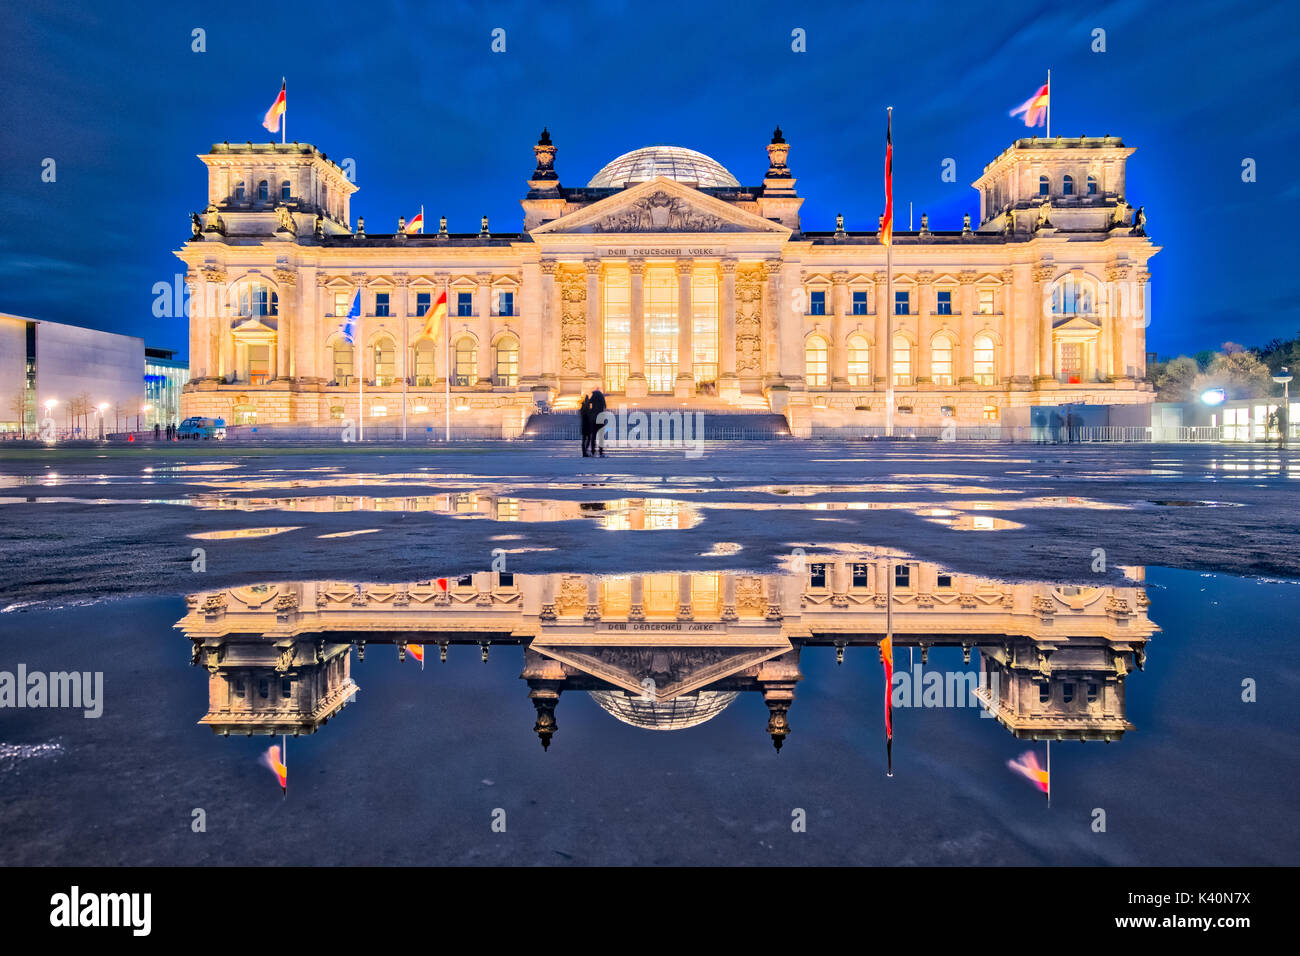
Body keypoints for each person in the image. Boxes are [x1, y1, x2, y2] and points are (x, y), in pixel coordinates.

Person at [589, 388, 607, 456]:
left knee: (593, 436)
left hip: (594, 420)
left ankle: (593, 451)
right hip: (601, 420)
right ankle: (601, 451)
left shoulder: (593, 397)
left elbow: (589, 402)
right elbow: (605, 406)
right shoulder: (601, 398)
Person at [579, 393, 594, 457]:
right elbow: (589, 416)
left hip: (584, 426)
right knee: (588, 439)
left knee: (585, 439)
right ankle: (585, 451)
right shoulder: (586, 409)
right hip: (587, 426)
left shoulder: (583, 409)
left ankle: (584, 451)